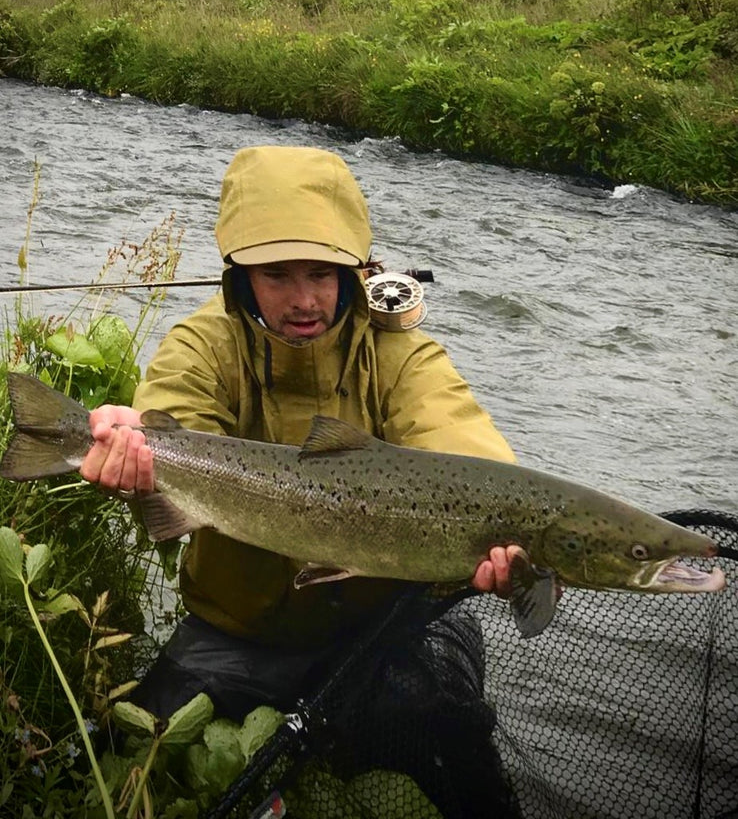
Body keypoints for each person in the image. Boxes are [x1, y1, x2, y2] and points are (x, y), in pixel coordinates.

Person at [80, 145, 523, 816]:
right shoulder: (205, 343)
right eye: (277, 275)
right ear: (240, 276)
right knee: (130, 759)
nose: (305, 299)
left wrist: (502, 525)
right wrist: (133, 443)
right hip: (239, 626)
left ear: (356, 270)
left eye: (322, 273)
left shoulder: (398, 350)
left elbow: (456, 435)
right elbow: (174, 412)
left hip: (378, 629)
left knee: (452, 757)